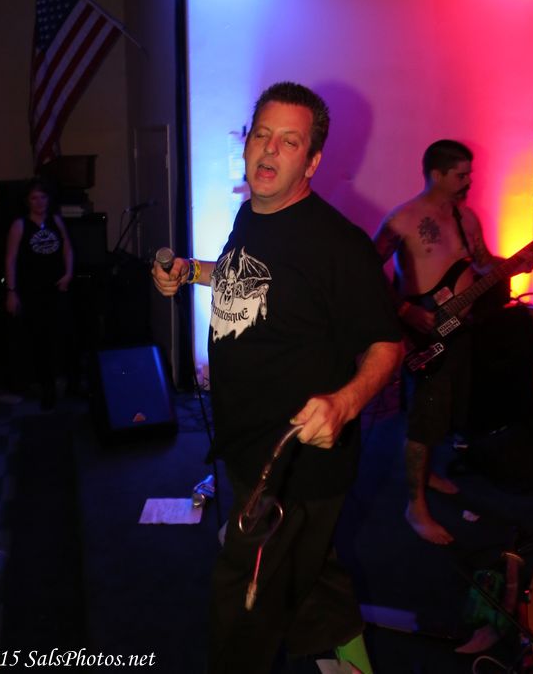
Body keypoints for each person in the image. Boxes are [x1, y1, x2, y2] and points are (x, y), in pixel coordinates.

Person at [153, 82, 403, 674]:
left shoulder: (339, 246)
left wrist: (344, 403)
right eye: (262, 135)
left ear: (311, 162)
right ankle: (350, 655)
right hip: (246, 443)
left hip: (293, 465)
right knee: (311, 575)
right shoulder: (253, 213)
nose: (269, 150)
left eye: (289, 142)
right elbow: (245, 275)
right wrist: (190, 271)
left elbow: (388, 345)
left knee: (243, 603)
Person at [374, 139, 533, 545]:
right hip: (425, 332)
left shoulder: (467, 217)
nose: (468, 180)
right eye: (461, 174)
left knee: (447, 412)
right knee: (424, 416)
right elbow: (368, 271)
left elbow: (482, 263)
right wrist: (405, 310)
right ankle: (415, 506)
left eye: (469, 173)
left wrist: (513, 265)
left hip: (461, 330)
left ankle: (427, 473)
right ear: (437, 174)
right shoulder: (404, 219)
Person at [4, 177, 74, 409]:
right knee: (39, 340)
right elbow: (10, 260)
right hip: (32, 291)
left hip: (57, 288)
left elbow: (67, 248)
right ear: (27, 201)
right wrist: (11, 291)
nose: (39, 202)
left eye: (43, 197)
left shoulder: (56, 220)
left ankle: (65, 382)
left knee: (60, 336)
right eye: (34, 198)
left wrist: (68, 273)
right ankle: (46, 388)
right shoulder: (20, 225)